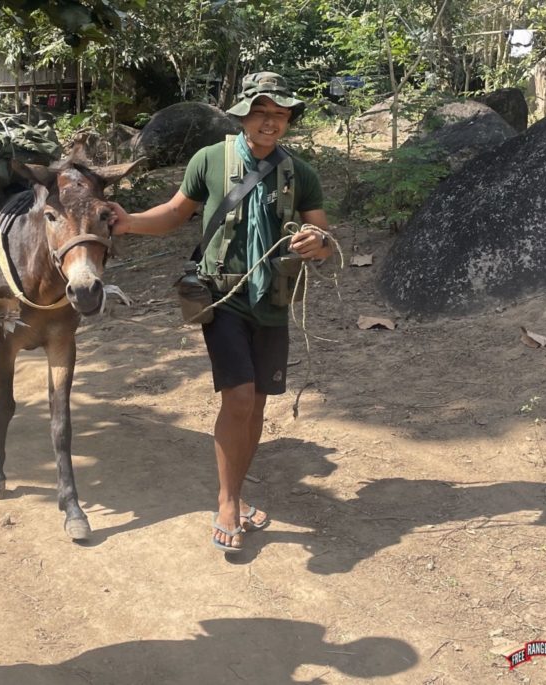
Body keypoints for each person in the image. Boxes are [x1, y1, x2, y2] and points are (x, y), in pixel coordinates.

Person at [110, 72, 333, 554]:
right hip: (222, 297)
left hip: (272, 299)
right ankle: (227, 501)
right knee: (239, 397)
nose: (270, 122)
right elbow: (174, 213)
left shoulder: (302, 173)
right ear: (241, 115)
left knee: (256, 404)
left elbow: (325, 239)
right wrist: (128, 222)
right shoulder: (209, 161)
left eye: (279, 114)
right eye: (261, 112)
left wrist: (316, 243)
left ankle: (238, 487)